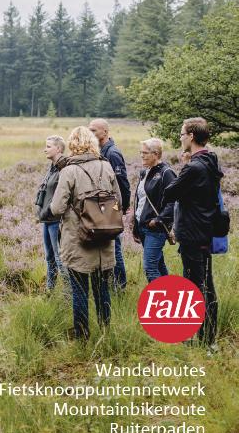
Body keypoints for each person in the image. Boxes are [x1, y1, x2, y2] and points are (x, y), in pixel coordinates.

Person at [50, 126, 121, 339]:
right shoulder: (106, 166)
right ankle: (106, 333)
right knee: (102, 290)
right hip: (105, 238)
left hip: (78, 240)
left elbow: (56, 208)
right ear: (92, 143)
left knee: (79, 290)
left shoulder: (69, 171)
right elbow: (118, 199)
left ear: (72, 144)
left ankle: (82, 337)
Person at [162, 117, 222, 348]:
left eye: (181, 133)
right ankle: (202, 338)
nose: (180, 137)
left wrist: (183, 167)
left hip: (193, 233)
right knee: (203, 284)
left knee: (198, 287)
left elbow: (169, 192)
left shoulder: (194, 167)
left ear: (192, 136)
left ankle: (206, 342)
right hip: (204, 230)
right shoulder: (209, 160)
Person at [89, 119, 130, 290]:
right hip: (102, 207)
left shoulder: (112, 153)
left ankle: (120, 286)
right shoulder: (99, 151)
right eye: (89, 130)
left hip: (112, 207)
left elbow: (122, 183)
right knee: (108, 247)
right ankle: (110, 283)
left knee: (115, 248)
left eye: (94, 130)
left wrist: (121, 208)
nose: (91, 133)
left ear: (105, 132)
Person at [132, 138, 176, 282]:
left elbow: (173, 202)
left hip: (155, 229)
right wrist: (135, 225)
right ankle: (172, 296)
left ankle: (159, 301)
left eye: (145, 153)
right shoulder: (145, 172)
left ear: (156, 154)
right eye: (141, 152)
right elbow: (140, 201)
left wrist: (158, 220)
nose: (142, 155)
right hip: (143, 226)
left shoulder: (166, 173)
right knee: (159, 264)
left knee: (150, 267)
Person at [35, 135, 69, 292]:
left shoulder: (65, 168)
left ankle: (69, 293)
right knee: (49, 257)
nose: (45, 149)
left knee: (59, 257)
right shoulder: (52, 167)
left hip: (57, 220)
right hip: (47, 220)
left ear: (59, 149)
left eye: (48, 146)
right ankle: (50, 290)